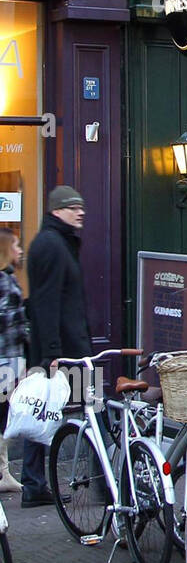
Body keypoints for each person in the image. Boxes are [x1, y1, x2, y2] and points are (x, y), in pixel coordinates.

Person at [22, 186, 90, 508]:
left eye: (82, 207)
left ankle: (34, 484)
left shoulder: (58, 242)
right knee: (91, 410)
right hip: (62, 351)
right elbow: (46, 302)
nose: (80, 212)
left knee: (44, 413)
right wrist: (51, 354)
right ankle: (103, 483)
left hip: (63, 347)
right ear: (56, 210)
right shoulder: (51, 245)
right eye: (73, 207)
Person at [0, 228, 28, 493]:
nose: (20, 251)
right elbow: (16, 328)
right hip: (6, 361)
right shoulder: (6, 282)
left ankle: (4, 474)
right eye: (17, 246)